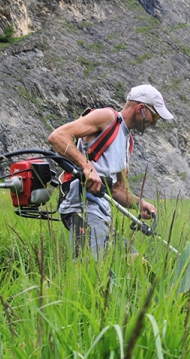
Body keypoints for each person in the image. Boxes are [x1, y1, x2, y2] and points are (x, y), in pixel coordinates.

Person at [48, 84, 174, 259]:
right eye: (155, 116)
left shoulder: (128, 141)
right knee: (91, 269)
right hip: (81, 206)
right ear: (141, 109)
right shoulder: (107, 118)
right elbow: (58, 137)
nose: (154, 123)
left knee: (135, 261)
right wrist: (86, 166)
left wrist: (140, 204)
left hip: (102, 212)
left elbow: (118, 191)